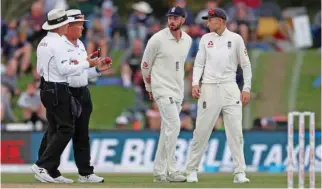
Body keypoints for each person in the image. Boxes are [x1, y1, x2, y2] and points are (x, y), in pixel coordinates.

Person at [36, 9, 111, 183]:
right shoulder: (59, 44)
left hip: (82, 91)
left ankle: (85, 172)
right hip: (65, 91)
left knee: (81, 133)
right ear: (68, 26)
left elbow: (82, 74)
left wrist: (97, 70)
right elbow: (62, 72)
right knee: (57, 130)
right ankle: (46, 168)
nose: (82, 28)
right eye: (80, 25)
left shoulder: (80, 45)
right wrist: (86, 63)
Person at [184, 8, 252, 183]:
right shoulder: (206, 39)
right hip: (209, 88)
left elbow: (246, 65)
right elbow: (199, 63)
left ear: (220, 21)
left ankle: (239, 173)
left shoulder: (236, 39)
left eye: (210, 20)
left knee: (235, 131)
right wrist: (195, 83)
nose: (207, 23)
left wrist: (246, 88)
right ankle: (191, 170)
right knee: (201, 130)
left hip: (230, 87)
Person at [141, 6, 192, 182]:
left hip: (177, 90)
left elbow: (179, 66)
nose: (172, 21)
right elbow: (145, 65)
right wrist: (149, 88)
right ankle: (172, 170)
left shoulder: (188, 40)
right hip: (161, 88)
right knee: (174, 125)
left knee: (167, 130)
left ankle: (159, 171)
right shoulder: (157, 39)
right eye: (170, 17)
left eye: (176, 18)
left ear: (183, 20)